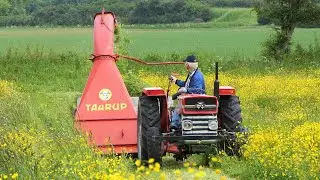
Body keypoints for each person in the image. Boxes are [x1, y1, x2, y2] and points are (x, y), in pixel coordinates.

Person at [169, 55, 206, 130]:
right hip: (191, 98)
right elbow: (186, 84)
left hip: (196, 100)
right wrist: (176, 81)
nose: (184, 65)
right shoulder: (192, 74)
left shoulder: (197, 76)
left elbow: (198, 90)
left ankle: (175, 123)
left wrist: (186, 90)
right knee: (177, 101)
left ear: (188, 65)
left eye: (185, 63)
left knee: (178, 106)